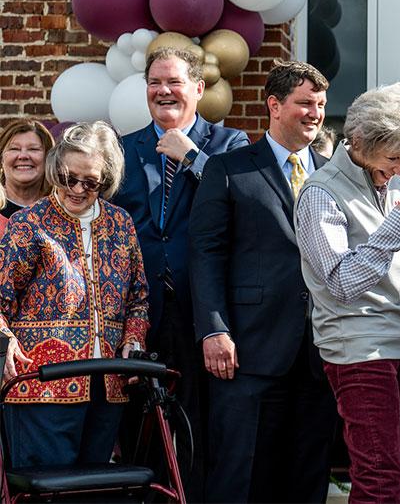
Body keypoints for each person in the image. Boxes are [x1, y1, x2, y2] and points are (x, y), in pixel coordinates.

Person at [189, 61, 336, 503]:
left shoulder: (336, 173)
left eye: (322, 105)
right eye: (305, 103)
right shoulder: (229, 168)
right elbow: (206, 253)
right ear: (274, 104)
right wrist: (215, 329)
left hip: (320, 349)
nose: (315, 113)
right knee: (241, 474)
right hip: (248, 349)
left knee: (308, 476)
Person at [296, 82, 400, 503]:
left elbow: (391, 257)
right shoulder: (320, 194)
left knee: (385, 471)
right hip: (358, 351)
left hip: (397, 344)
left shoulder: (386, 181)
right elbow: (343, 283)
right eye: (394, 157)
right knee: (379, 479)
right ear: (359, 141)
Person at [113, 46, 249, 498]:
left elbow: (246, 204)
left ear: (199, 88)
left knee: (200, 432)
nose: (163, 91)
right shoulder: (122, 147)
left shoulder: (230, 146)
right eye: (154, 82)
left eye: (173, 82)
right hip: (139, 314)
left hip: (203, 314)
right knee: (137, 432)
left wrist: (192, 157)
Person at [0, 122, 148, 468]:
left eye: (91, 182)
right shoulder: (29, 224)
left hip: (108, 384)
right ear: (56, 171)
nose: (78, 189)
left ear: (105, 181)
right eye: (69, 178)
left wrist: (134, 338)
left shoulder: (120, 223)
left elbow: (138, 297)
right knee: (47, 490)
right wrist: (4, 340)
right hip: (42, 386)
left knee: (94, 489)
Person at [0, 118, 55, 219]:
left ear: (48, 158)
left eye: (33, 149)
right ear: (1, 159)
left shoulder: (61, 211)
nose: (23, 156)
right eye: (14, 149)